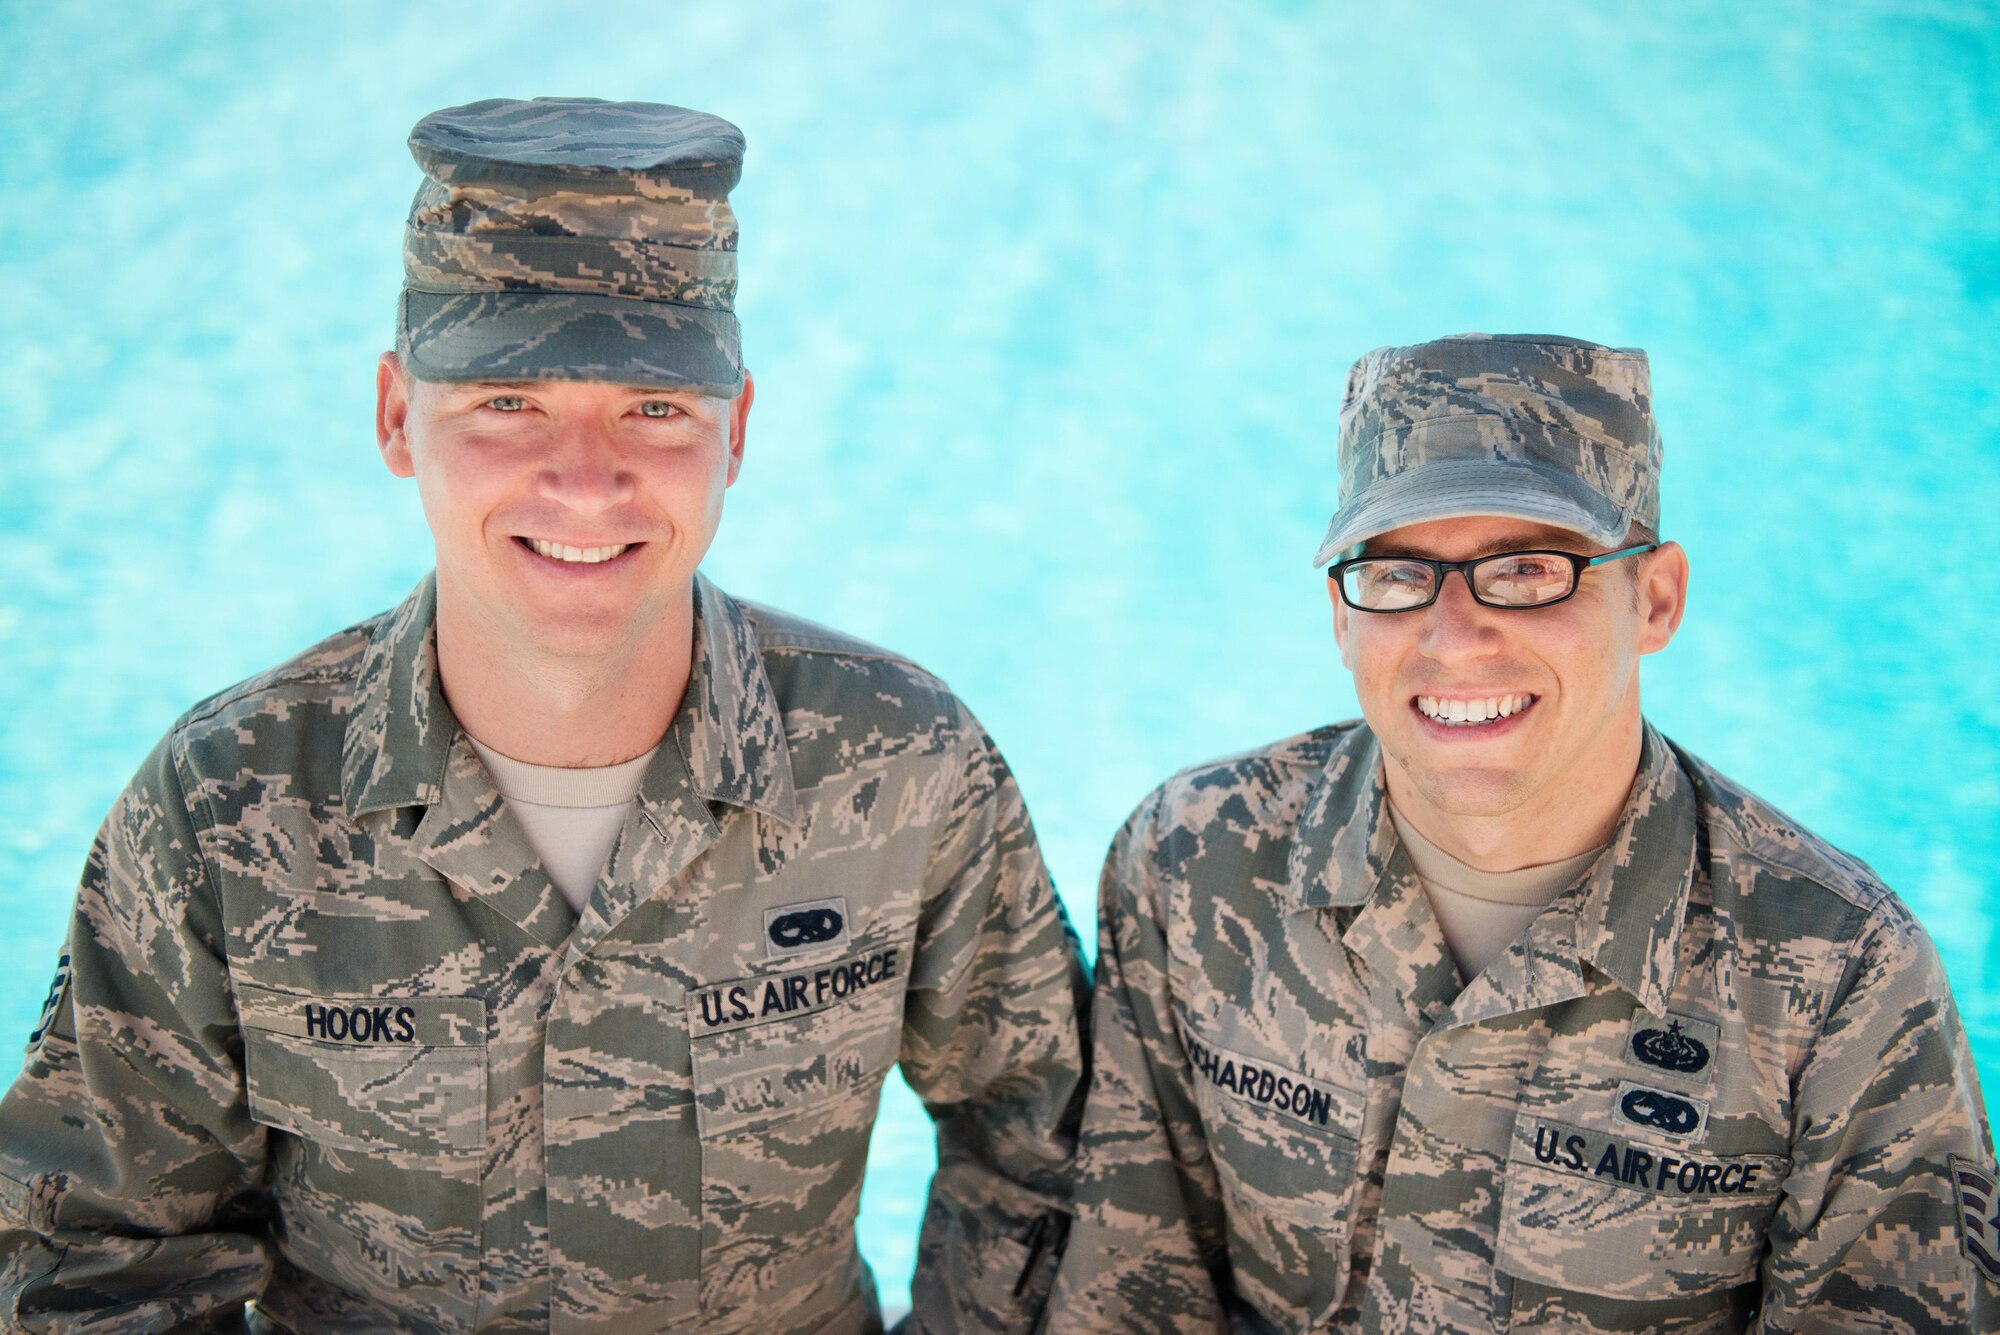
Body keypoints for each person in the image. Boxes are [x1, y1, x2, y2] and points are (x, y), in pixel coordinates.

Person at [0, 97, 1087, 1335]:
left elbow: (1044, 1151)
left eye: (653, 406)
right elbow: (94, 1243)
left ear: (736, 431)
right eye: (507, 402)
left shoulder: (901, 760)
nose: (585, 480)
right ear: (398, 418)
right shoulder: (227, 803)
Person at [1048, 333, 1997, 1331]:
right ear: (1339, 618)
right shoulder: (1198, 858)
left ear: (1655, 598)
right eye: (1396, 574)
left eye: (1528, 570)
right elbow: (1130, 1284)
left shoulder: (1836, 974)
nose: (1453, 638)